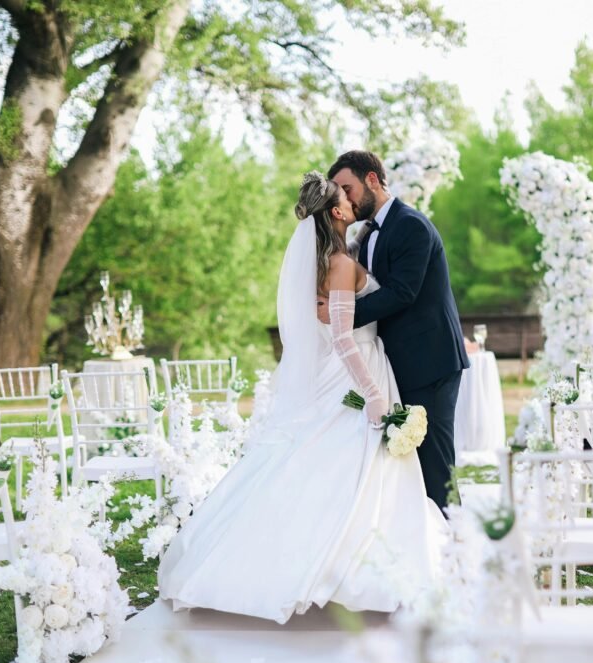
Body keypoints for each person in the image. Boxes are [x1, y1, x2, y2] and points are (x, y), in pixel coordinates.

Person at [158, 172, 446, 624]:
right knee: (351, 468)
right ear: (336, 211)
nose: (352, 201)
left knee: (329, 466)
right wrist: (371, 394)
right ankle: (344, 572)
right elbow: (343, 339)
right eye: (345, 197)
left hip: (351, 371)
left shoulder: (331, 257)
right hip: (357, 375)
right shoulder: (342, 262)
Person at [324, 151, 470, 511]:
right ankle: (425, 539)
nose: (346, 197)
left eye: (348, 187)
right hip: (398, 361)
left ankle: (454, 539)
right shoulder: (370, 232)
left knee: (435, 459)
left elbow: (402, 293)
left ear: (372, 179)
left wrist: (341, 316)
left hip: (430, 360)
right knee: (410, 460)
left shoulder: (410, 226)